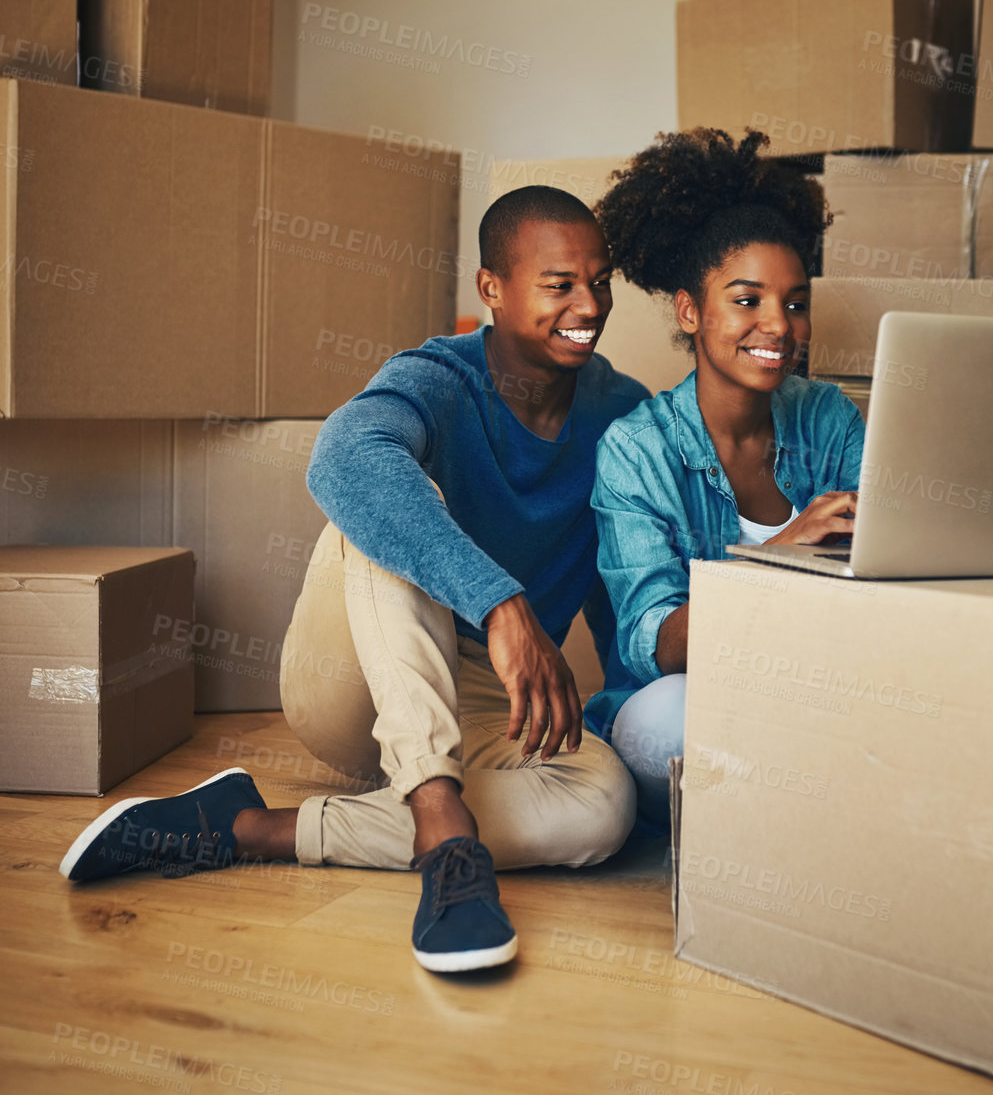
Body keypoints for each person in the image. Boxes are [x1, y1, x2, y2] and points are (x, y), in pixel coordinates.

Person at [60, 186, 647, 974]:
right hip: (351, 677)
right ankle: (445, 839)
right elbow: (339, 459)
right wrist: (501, 601)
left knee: (605, 808)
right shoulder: (438, 376)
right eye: (560, 283)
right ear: (491, 290)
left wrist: (626, 717)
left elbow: (621, 577)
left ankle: (246, 828)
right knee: (385, 493)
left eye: (601, 280)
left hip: (481, 705)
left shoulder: (620, 412)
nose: (590, 303)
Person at [587, 129, 864, 824]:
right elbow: (652, 645)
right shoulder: (637, 449)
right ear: (690, 310)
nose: (779, 323)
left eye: (795, 302)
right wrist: (778, 555)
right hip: (696, 697)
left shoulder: (827, 417)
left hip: (817, 684)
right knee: (665, 725)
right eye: (747, 299)